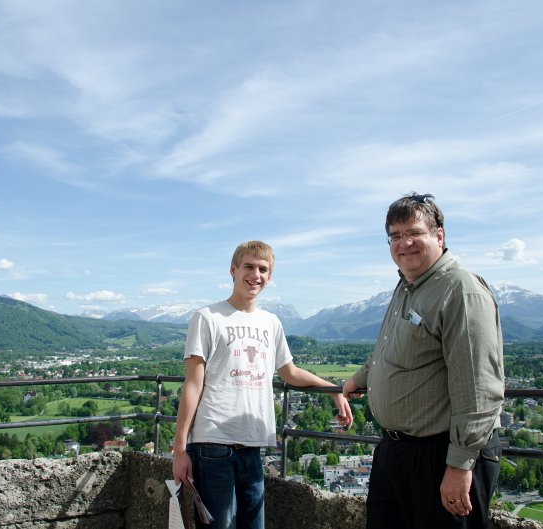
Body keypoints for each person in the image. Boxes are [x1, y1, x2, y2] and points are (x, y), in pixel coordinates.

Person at [343, 193, 505, 529]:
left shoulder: (460, 290)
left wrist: (459, 466)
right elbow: (389, 349)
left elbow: (481, 388)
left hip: (440, 454)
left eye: (414, 232)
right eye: (395, 236)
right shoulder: (407, 286)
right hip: (397, 450)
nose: (405, 243)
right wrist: (360, 378)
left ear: (439, 235)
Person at [173, 240, 353, 529]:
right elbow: (193, 385)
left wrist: (333, 390)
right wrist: (180, 450)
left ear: (269, 277)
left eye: (262, 269)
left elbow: (290, 372)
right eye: (248, 266)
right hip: (212, 445)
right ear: (233, 270)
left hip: (253, 446)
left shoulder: (271, 322)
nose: (255, 275)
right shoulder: (207, 317)